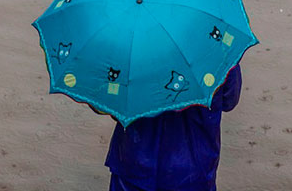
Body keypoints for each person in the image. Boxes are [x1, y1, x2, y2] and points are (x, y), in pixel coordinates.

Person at [104, 64, 243, 191]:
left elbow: (115, 107)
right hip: (193, 167)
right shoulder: (219, 49)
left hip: (134, 161)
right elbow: (229, 101)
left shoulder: (133, 48)